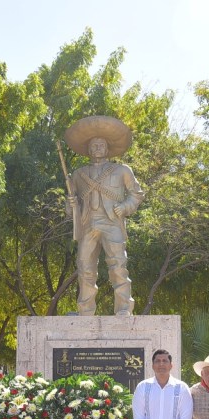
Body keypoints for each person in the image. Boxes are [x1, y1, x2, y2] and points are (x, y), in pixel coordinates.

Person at [63, 115, 144, 316]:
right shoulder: (78, 174)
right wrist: (71, 204)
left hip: (112, 223)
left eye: (101, 144)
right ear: (88, 150)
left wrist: (125, 207)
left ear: (107, 148)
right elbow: (71, 205)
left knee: (118, 266)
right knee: (84, 267)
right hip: (88, 224)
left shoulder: (121, 170)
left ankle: (124, 308)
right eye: (94, 145)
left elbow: (137, 194)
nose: (98, 148)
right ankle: (85, 310)